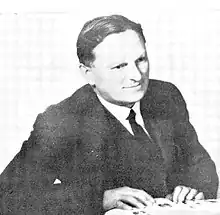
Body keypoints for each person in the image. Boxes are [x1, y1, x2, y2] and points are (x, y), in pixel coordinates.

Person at [0, 14, 218, 215]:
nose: (136, 75)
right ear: (88, 73)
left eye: (140, 60)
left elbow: (198, 162)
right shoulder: (61, 122)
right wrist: (100, 199)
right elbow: (8, 197)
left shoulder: (165, 96)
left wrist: (193, 187)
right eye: (119, 67)